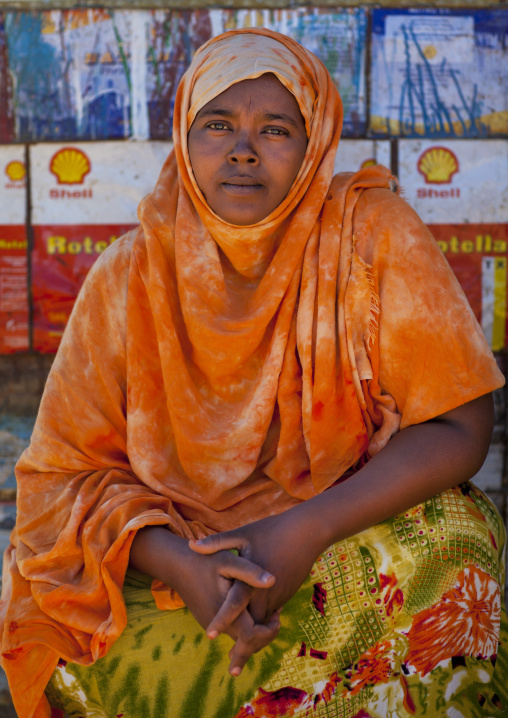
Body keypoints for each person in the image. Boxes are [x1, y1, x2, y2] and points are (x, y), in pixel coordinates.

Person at [1, 28, 507, 718]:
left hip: (343, 536)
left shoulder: (370, 235)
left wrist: (302, 532)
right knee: (58, 613)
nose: (242, 149)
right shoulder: (130, 273)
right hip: (180, 560)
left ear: (313, 143)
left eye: (275, 128)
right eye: (217, 124)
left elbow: (461, 425)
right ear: (184, 136)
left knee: (458, 539)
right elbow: (59, 481)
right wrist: (188, 566)